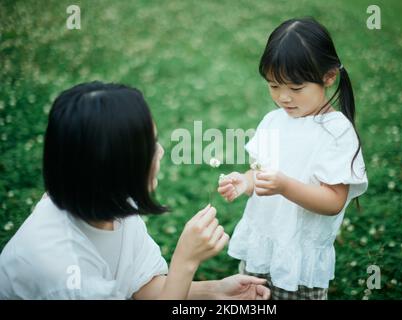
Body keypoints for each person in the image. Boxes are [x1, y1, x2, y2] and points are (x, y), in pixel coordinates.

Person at [0, 82, 270, 300]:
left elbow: (141, 287)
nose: (161, 152)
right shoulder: (66, 278)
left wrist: (214, 291)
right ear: (117, 166)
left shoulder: (110, 201)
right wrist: (186, 261)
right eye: (150, 147)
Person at [217, 17, 368, 300]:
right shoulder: (274, 121)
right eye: (274, 86)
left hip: (298, 261)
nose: (284, 98)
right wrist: (245, 182)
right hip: (261, 247)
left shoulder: (336, 133)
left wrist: (285, 186)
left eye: (296, 88)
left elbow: (333, 201)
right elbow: (260, 172)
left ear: (329, 76)